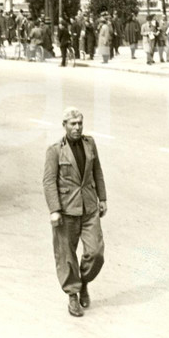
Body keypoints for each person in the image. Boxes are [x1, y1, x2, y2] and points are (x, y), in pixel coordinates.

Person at [42, 108, 108, 318]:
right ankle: (73, 295)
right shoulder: (55, 150)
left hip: (89, 207)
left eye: (80, 123)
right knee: (66, 255)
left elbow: (97, 170)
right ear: (64, 125)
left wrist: (103, 198)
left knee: (96, 252)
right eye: (73, 124)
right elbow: (49, 181)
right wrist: (54, 210)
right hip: (66, 210)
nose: (77, 127)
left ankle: (84, 282)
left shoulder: (90, 144)